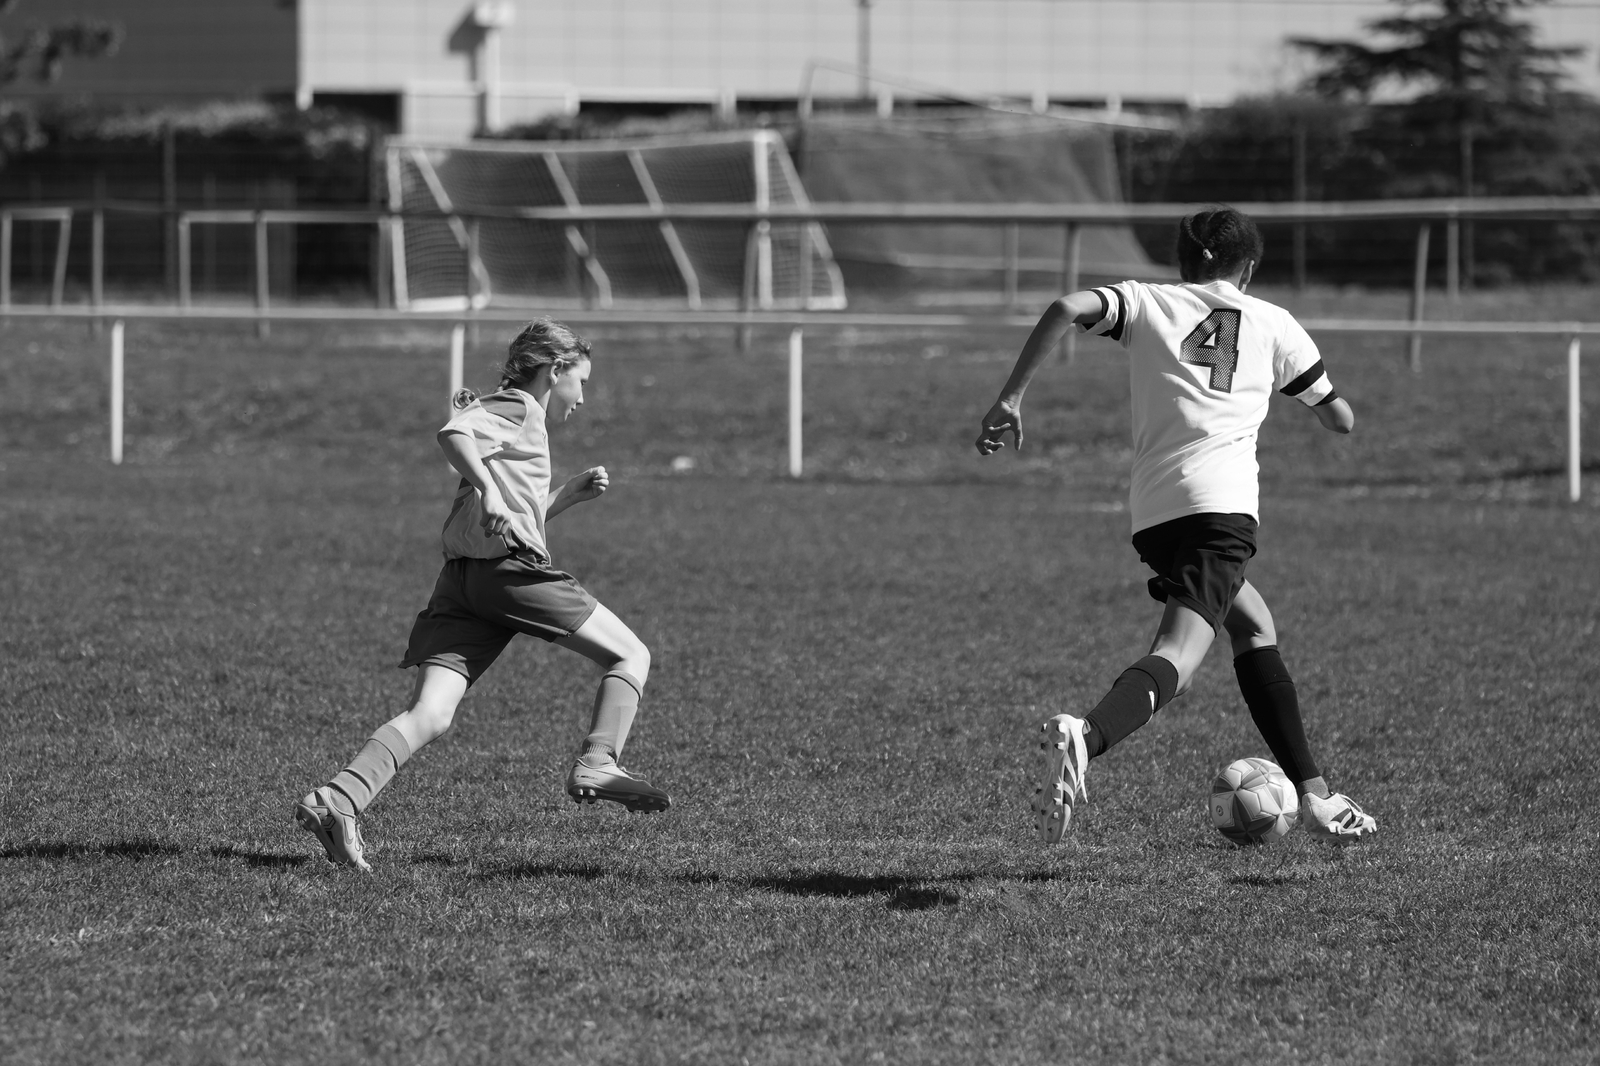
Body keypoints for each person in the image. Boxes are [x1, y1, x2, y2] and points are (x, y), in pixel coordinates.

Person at [975, 206, 1377, 845]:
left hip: (1156, 517)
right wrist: (1329, 405)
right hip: (1221, 514)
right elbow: (1339, 418)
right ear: (1248, 267)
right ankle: (1086, 737)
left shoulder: (1146, 302)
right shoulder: (1274, 322)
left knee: (1253, 625)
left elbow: (1066, 307)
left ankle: (1317, 794)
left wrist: (1012, 396)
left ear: (1183, 263)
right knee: (1178, 658)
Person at [295, 317, 669, 872]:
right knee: (631, 654)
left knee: (430, 713)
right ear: (556, 370)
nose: (583, 397)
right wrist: (491, 490)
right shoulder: (519, 406)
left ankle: (339, 799)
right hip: (509, 577)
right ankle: (598, 760)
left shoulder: (515, 418)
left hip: (464, 582)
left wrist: (564, 496)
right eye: (582, 382)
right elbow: (453, 434)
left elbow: (508, 514)